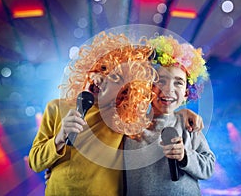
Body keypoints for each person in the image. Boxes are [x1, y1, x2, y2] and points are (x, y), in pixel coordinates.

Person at [28, 32, 204, 196]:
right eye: (101, 68)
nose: (101, 78)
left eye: (116, 77)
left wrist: (181, 113)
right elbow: (35, 162)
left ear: (125, 90)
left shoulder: (126, 119)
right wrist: (59, 138)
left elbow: (160, 115)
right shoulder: (56, 108)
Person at [124, 36, 215, 196]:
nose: (168, 89)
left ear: (187, 92)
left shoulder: (189, 126)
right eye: (160, 80)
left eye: (178, 82)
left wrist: (185, 155)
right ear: (145, 84)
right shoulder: (130, 124)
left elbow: (209, 167)